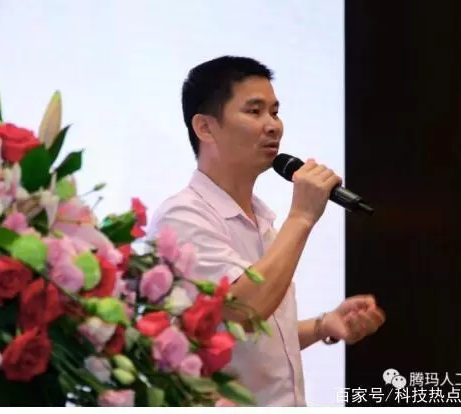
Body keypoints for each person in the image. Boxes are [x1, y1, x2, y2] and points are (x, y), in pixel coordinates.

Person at [147, 56, 386, 406]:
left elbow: (249, 341)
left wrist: (322, 326)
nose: (273, 126)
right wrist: (302, 216)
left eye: (274, 112)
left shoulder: (262, 218)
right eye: (254, 111)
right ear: (205, 128)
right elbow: (243, 311)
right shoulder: (182, 217)